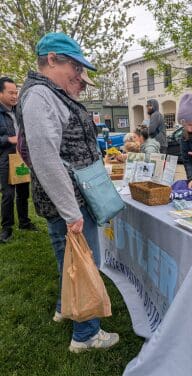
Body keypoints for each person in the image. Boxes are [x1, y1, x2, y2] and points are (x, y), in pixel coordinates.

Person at [16, 32, 119, 352]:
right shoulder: (40, 96)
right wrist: (72, 212)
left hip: (67, 200)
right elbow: (45, 158)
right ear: (51, 60)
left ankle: (65, 306)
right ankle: (86, 334)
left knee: (69, 259)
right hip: (70, 202)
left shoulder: (48, 93)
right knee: (86, 264)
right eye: (74, 65)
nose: (79, 73)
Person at [0, 77, 37, 244]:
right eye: (11, 93)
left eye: (16, 92)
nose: (15, 96)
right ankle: (6, 229)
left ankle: (24, 222)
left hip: (21, 157)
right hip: (5, 158)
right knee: (8, 194)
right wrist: (8, 139)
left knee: (23, 192)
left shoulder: (18, 111)